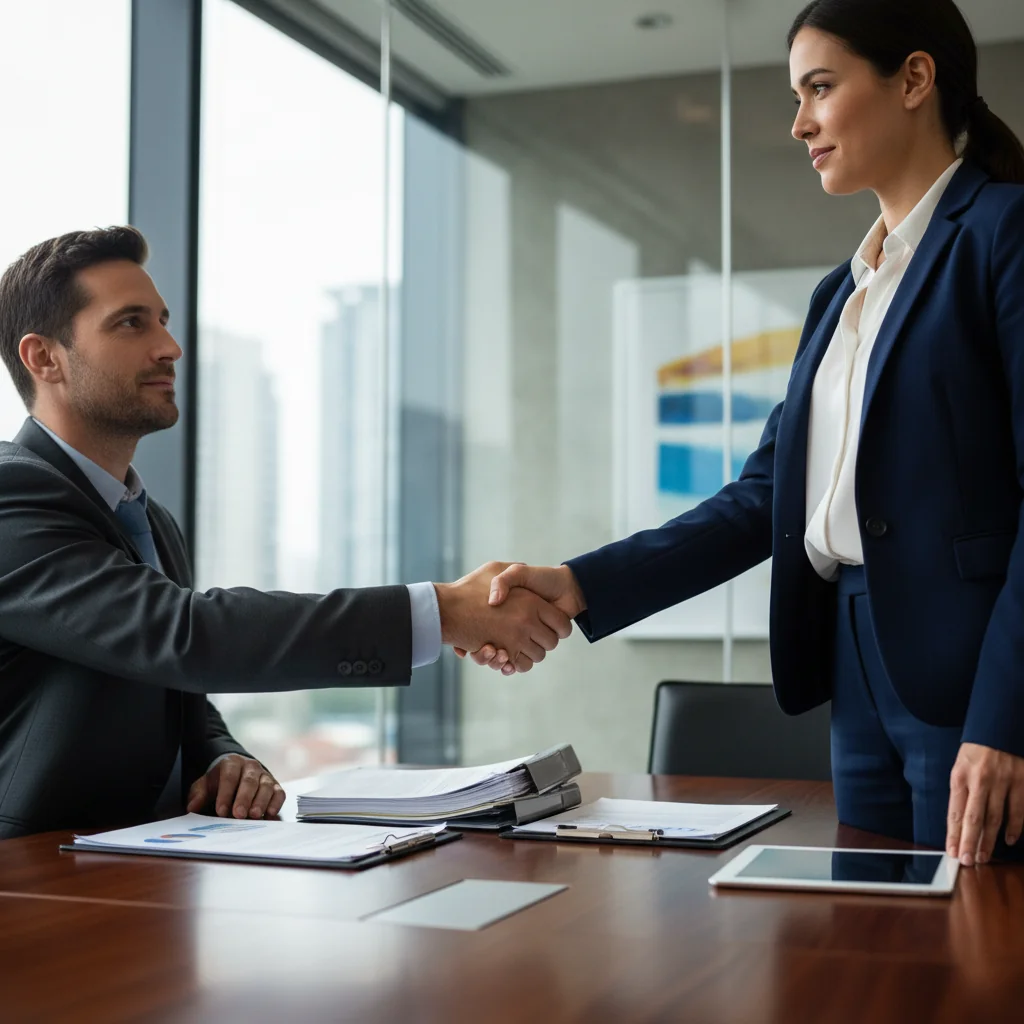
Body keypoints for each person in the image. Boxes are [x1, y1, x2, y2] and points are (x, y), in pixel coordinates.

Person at [469, 0, 1024, 868]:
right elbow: (762, 496)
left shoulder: (1004, 233)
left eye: (820, 88)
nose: (800, 122)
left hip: (974, 671)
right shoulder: (841, 294)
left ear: (915, 79)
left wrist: (1008, 720)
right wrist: (578, 584)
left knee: (979, 955)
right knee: (866, 944)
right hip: (852, 660)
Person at [0, 226, 571, 838]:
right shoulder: (13, 495)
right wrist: (442, 610)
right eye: (131, 323)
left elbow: (174, 684)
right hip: (32, 874)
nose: (170, 346)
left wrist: (221, 754)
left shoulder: (149, 519)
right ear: (44, 358)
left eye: (162, 320)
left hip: (140, 863)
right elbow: (184, 636)